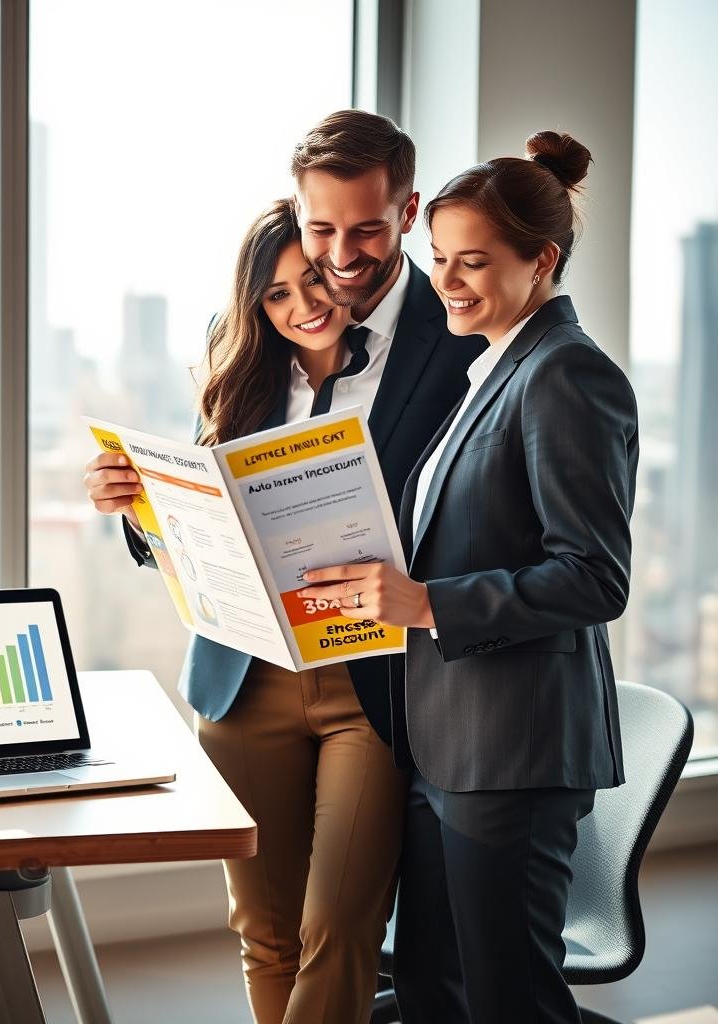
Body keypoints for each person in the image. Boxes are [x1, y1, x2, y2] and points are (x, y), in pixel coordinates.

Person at [83, 111, 484, 1024]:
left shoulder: (450, 331)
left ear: (406, 215)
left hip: (375, 682)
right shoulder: (246, 354)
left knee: (339, 927)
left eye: (359, 238)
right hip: (246, 676)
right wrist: (135, 509)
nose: (324, 281)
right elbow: (191, 523)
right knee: (261, 930)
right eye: (307, 254)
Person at [298, 130, 639, 1023]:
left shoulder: (566, 376)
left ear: (542, 261)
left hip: (513, 752)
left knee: (509, 1002)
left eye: (474, 263)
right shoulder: (493, 369)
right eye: (439, 257)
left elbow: (593, 577)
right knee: (433, 995)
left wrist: (425, 603)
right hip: (445, 744)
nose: (446, 281)